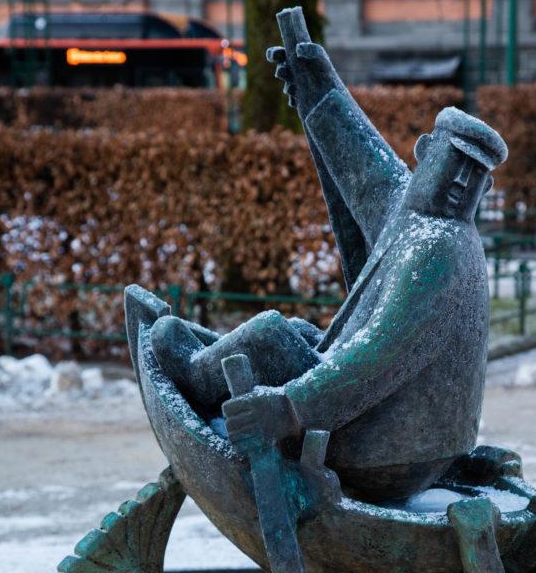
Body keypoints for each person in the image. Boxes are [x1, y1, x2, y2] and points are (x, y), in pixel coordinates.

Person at [150, 31, 507, 501]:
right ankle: (210, 370)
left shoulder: (440, 247)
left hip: (388, 454)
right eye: (455, 162)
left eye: (475, 174)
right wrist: (317, 89)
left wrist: (287, 410)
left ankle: (196, 376)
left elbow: (380, 355)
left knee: (270, 336)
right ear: (425, 154)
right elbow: (363, 165)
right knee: (299, 333)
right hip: (410, 443)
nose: (462, 181)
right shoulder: (415, 215)